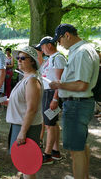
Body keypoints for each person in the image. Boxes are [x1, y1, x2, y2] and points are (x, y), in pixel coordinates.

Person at [49, 24, 99, 179]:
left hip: (77, 104)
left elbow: (81, 84)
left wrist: (59, 85)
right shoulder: (83, 49)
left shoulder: (82, 52)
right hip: (79, 103)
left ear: (67, 35)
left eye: (59, 40)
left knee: (75, 151)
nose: (59, 44)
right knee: (81, 146)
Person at [6, 46, 43, 179]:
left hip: (27, 127)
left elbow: (32, 108)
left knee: (28, 165)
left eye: (22, 58)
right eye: (18, 58)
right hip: (20, 124)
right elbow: (24, 101)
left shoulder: (32, 80)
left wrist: (22, 131)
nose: (19, 61)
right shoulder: (26, 77)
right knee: (23, 164)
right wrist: (10, 102)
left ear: (32, 61)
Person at [36, 36, 67, 164]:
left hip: (51, 94)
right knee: (52, 124)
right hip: (47, 93)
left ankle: (47, 154)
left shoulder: (58, 58)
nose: (42, 50)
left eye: (42, 47)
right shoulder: (50, 58)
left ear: (49, 45)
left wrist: (55, 98)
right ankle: (55, 152)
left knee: (50, 125)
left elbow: (60, 81)